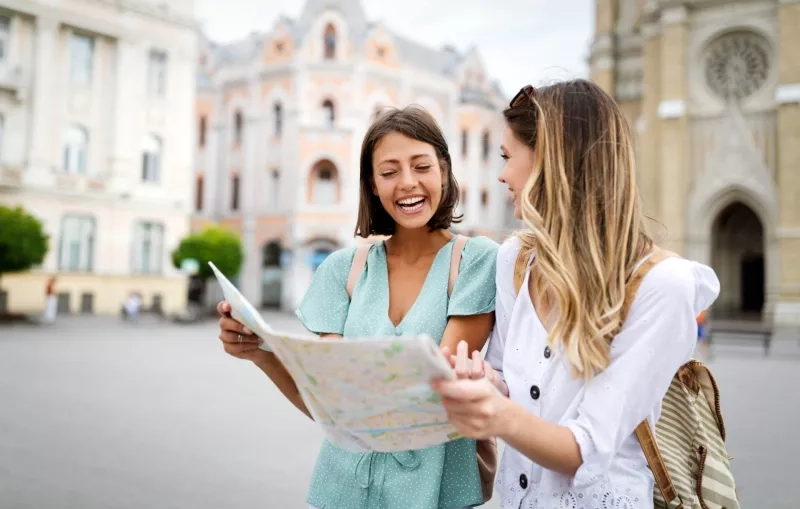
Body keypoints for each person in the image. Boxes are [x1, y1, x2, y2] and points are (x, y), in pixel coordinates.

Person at [431, 79, 721, 508]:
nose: (501, 173)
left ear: (553, 161)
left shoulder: (662, 285)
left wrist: (495, 412)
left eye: (509, 157)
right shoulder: (515, 260)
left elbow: (584, 450)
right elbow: (508, 382)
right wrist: (484, 382)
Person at [216, 106, 499, 509]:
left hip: (433, 494)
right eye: (388, 172)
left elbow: (433, 396)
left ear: (443, 170)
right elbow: (335, 408)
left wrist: (350, 390)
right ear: (372, 184)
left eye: (421, 166)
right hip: (341, 489)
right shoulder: (341, 269)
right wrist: (261, 353)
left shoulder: (477, 260)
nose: (407, 183)